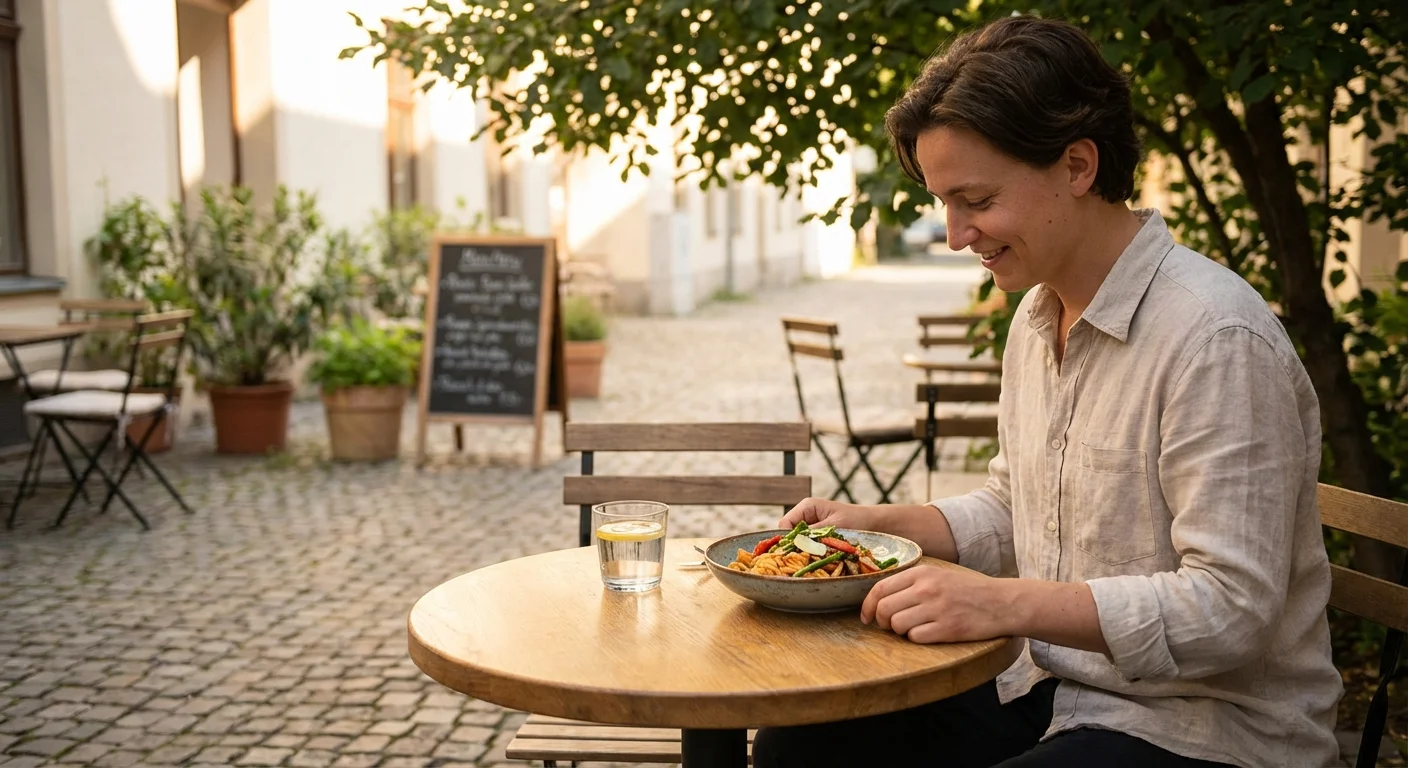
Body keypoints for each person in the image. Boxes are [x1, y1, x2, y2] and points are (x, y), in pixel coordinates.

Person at [751, 13, 1342, 768]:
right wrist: (878, 526)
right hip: (1055, 687)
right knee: (801, 743)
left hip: (1209, 728)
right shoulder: (1038, 317)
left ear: (1077, 166)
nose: (955, 234)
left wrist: (1001, 603)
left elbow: (1232, 609)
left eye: (976, 199)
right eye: (944, 202)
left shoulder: (1216, 337)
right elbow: (1017, 507)